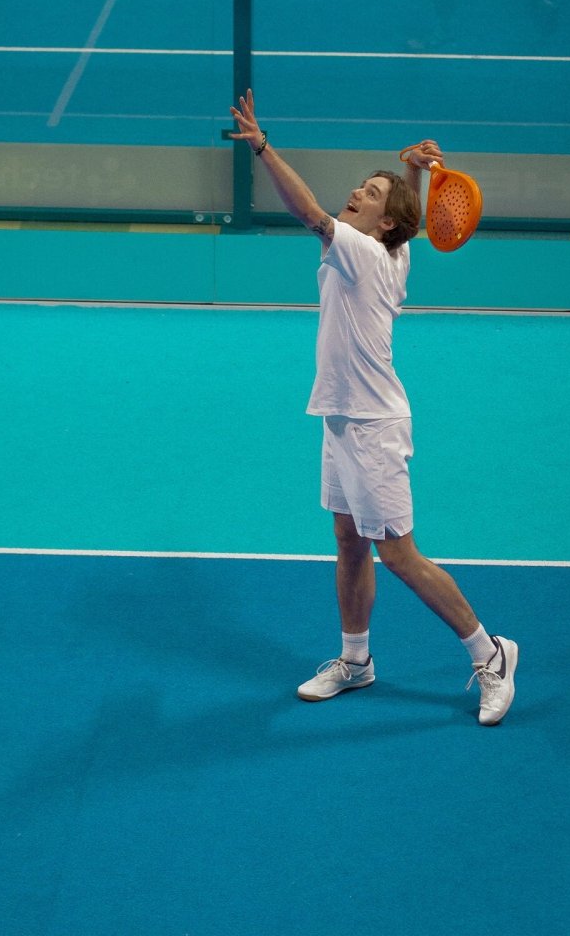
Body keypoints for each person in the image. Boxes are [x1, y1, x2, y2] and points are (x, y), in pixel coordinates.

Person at [229, 89, 518, 726]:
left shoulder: (359, 250)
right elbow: (402, 217)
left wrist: (263, 149)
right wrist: (409, 171)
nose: (356, 194)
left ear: (384, 224)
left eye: (370, 194)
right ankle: (355, 661)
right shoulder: (393, 249)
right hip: (342, 418)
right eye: (360, 186)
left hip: (372, 426)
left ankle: (491, 653)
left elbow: (307, 212)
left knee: (399, 555)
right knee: (348, 543)